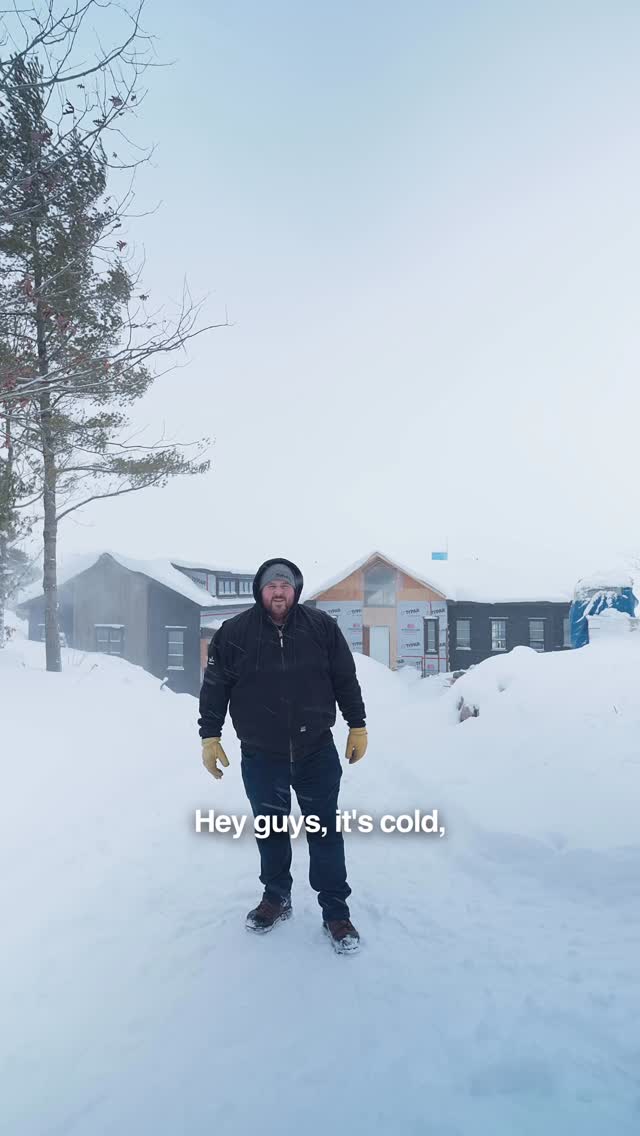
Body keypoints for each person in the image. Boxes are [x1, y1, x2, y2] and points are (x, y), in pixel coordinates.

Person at [198, 557, 368, 953]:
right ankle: (276, 897)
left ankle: (335, 911)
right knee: (270, 829)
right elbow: (215, 687)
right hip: (262, 754)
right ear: (261, 590)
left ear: (295, 591)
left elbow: (345, 677)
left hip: (316, 750)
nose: (278, 592)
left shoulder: (321, 628)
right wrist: (210, 736)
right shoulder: (234, 633)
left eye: (285, 586)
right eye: (272, 586)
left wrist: (356, 724)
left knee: (324, 830)